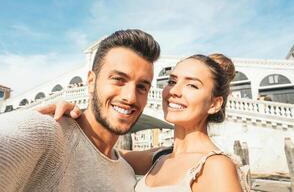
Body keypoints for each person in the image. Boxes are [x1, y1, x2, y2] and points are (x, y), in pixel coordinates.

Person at [40, 54, 250, 191]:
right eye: (172, 81)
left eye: (192, 86)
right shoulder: (158, 157)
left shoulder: (215, 167)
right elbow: (99, 150)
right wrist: (75, 117)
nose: (174, 91)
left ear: (214, 104)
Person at [0, 29, 160, 192]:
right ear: (91, 81)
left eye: (142, 87)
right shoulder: (47, 132)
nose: (131, 97)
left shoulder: (127, 175)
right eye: (118, 79)